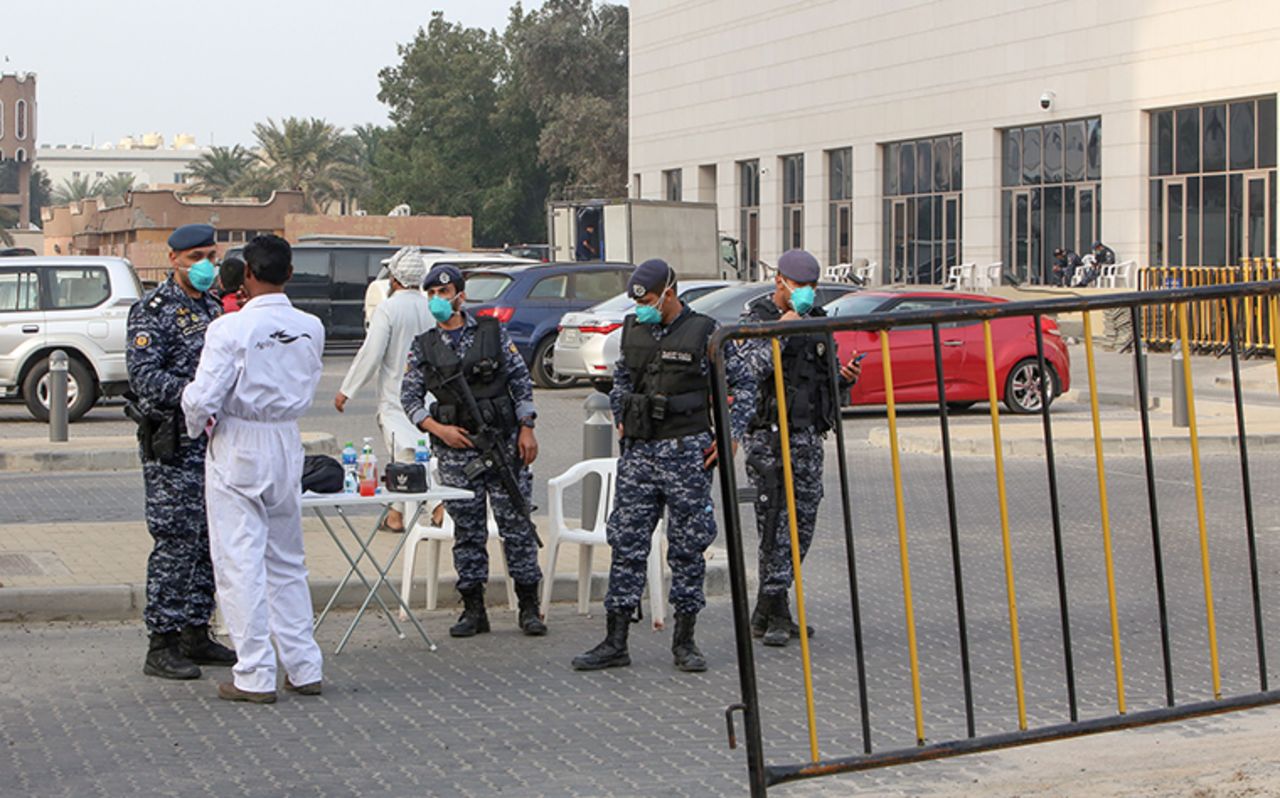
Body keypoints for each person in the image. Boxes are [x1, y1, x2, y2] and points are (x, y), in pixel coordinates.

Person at [572, 259, 756, 673]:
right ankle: (615, 640)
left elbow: (744, 386)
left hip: (686, 453)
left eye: (651, 301)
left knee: (688, 547)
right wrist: (621, 410)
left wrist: (731, 434)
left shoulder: (706, 332)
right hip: (640, 453)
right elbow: (620, 379)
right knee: (626, 543)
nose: (644, 309)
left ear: (670, 293)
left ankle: (685, 641)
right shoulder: (633, 328)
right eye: (639, 303)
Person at [181, 234, 327, 704]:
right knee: (287, 560)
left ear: (246, 275)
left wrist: (193, 420)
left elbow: (203, 397)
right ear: (288, 274)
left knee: (239, 563)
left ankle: (255, 673)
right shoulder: (311, 326)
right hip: (286, 438)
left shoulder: (230, 329)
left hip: (240, 438)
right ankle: (304, 666)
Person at [401, 264, 547, 638]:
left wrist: (526, 427)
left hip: (501, 443)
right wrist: (438, 429)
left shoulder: (491, 333)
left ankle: (529, 607)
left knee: (516, 524)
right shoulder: (423, 346)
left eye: (444, 294)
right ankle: (473, 609)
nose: (437, 300)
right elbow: (410, 398)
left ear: (460, 296)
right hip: (457, 450)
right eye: (431, 294)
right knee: (467, 531)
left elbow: (519, 380)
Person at [125, 223, 236, 681]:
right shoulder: (152, 311)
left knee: (210, 539)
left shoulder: (214, 306)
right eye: (196, 257)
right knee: (175, 541)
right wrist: (197, 394)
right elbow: (144, 377)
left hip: (214, 442)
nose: (206, 265)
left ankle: (196, 630)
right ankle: (162, 642)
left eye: (211, 255)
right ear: (173, 260)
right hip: (173, 443)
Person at [737, 249, 862, 647]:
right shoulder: (755, 319)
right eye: (800, 286)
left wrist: (845, 378)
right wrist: (780, 332)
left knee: (800, 528)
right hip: (769, 439)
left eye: (812, 287)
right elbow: (744, 372)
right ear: (780, 282)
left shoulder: (818, 323)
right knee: (773, 524)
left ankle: (767, 607)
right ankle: (775, 611)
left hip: (808, 438)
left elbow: (824, 382)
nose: (806, 294)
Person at [334, 247, 434, 533]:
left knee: (403, 452)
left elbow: (372, 353)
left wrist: (347, 390)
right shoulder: (430, 306)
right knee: (417, 451)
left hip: (396, 396)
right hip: (429, 396)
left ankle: (435, 509)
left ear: (395, 278)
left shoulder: (389, 310)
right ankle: (395, 514)